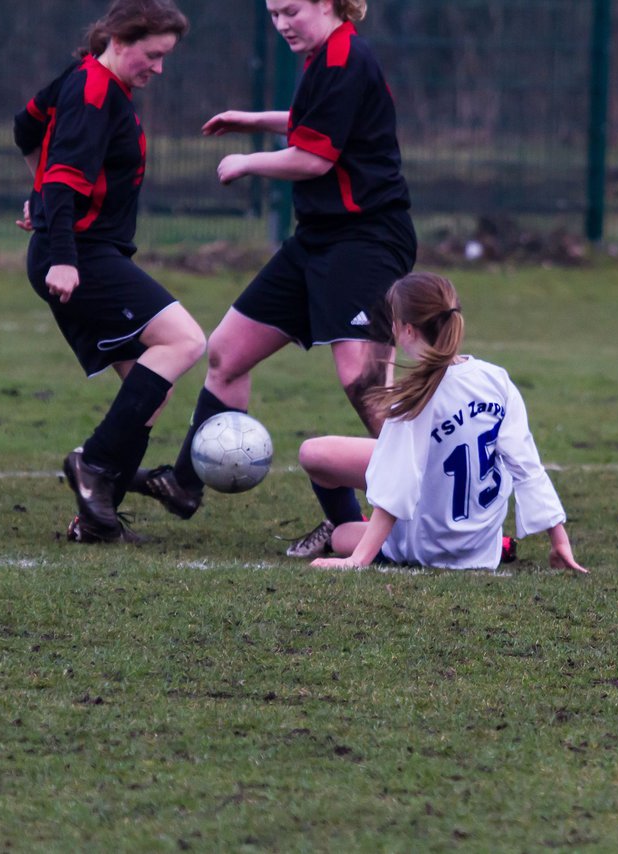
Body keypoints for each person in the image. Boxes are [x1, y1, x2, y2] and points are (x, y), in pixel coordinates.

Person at [129, 0, 416, 556]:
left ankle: (428, 498)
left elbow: (315, 158)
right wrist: (255, 119)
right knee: (228, 352)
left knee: (362, 379)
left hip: (366, 238)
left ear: (328, 3)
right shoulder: (324, 56)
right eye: (273, 13)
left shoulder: (347, 57)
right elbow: (315, 122)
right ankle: (187, 483)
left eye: (291, 10)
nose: (282, 23)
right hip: (319, 238)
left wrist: (247, 160)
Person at [14, 0, 206, 543]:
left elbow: (24, 126)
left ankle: (97, 518)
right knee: (185, 341)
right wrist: (63, 253)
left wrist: (42, 200)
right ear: (119, 40)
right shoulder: (93, 92)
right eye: (153, 55)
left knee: (152, 389)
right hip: (81, 255)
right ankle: (93, 463)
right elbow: (63, 178)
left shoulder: (85, 81)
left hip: (87, 250)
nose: (159, 68)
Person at [300, 272, 586, 573]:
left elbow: (396, 483)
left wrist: (357, 559)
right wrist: (559, 540)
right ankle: (497, 542)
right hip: (479, 549)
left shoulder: (413, 400)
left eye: (394, 320)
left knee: (341, 533)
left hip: (427, 547)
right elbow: (526, 465)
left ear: (407, 330)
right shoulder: (495, 379)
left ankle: (358, 535)